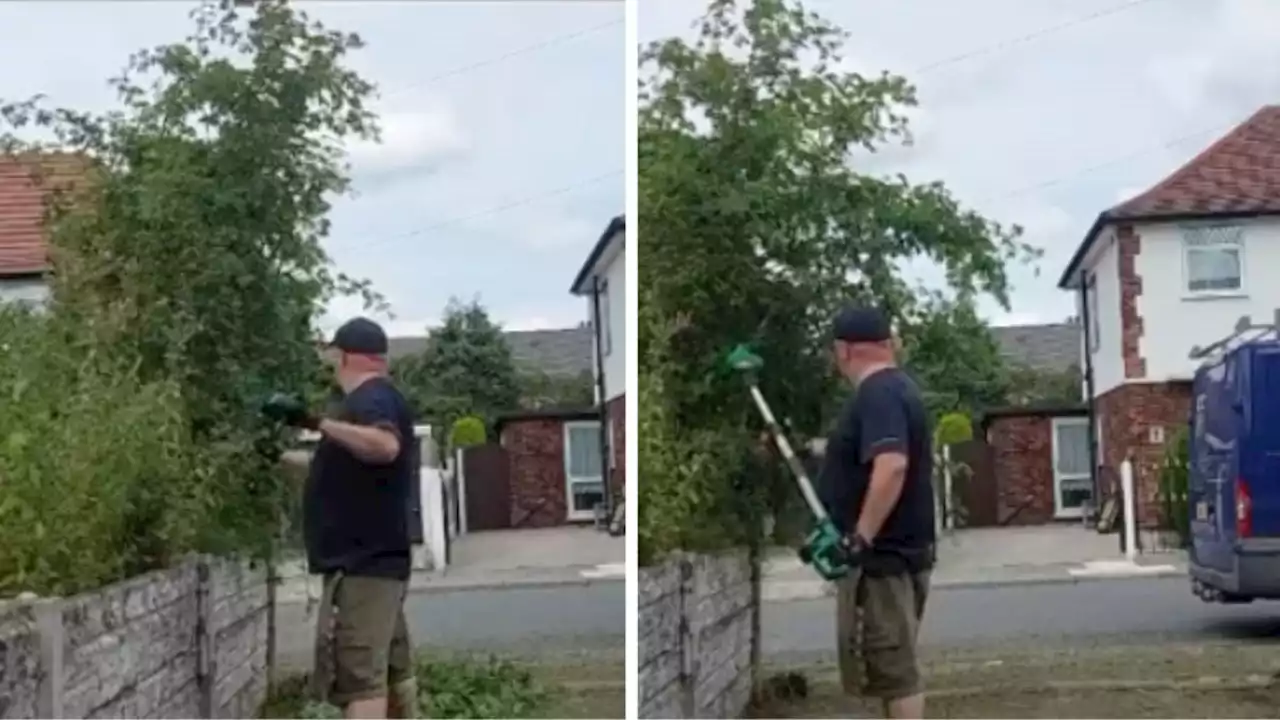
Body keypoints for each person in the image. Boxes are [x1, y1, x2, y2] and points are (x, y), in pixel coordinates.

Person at [264, 317, 418, 719]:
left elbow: (384, 446)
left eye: (333, 356)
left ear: (346, 356)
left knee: (360, 677)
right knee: (389, 668)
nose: (331, 364)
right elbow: (332, 468)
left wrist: (314, 422)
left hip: (364, 565)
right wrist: (274, 458)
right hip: (375, 563)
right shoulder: (371, 402)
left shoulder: (371, 397)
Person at [818, 305, 935, 720]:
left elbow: (892, 465)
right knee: (889, 670)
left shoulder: (879, 392)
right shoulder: (896, 389)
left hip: (885, 560)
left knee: (895, 671)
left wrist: (860, 537)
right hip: (896, 557)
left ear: (843, 350)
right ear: (889, 345)